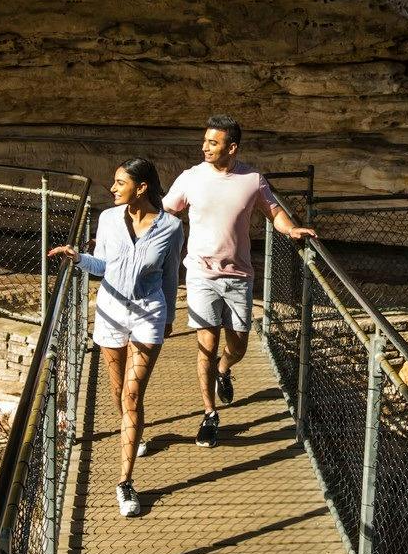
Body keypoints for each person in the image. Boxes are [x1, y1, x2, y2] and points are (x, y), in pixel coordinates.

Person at [161, 114, 315, 446]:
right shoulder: (190, 178)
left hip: (239, 277)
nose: (205, 147)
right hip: (201, 275)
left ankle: (223, 369)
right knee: (206, 345)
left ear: (232, 147)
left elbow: (274, 211)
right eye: (204, 141)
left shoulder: (252, 180)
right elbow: (165, 213)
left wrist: (290, 229)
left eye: (212, 143)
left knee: (238, 347)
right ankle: (209, 414)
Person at [48, 158, 182, 517]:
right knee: (117, 391)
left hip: (148, 313)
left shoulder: (171, 226)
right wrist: (78, 257)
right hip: (110, 311)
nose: (113, 187)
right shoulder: (107, 218)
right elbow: (103, 266)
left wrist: (168, 316)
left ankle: (125, 482)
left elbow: (170, 277)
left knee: (132, 393)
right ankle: (131, 429)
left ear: (141, 187)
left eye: (120, 182)